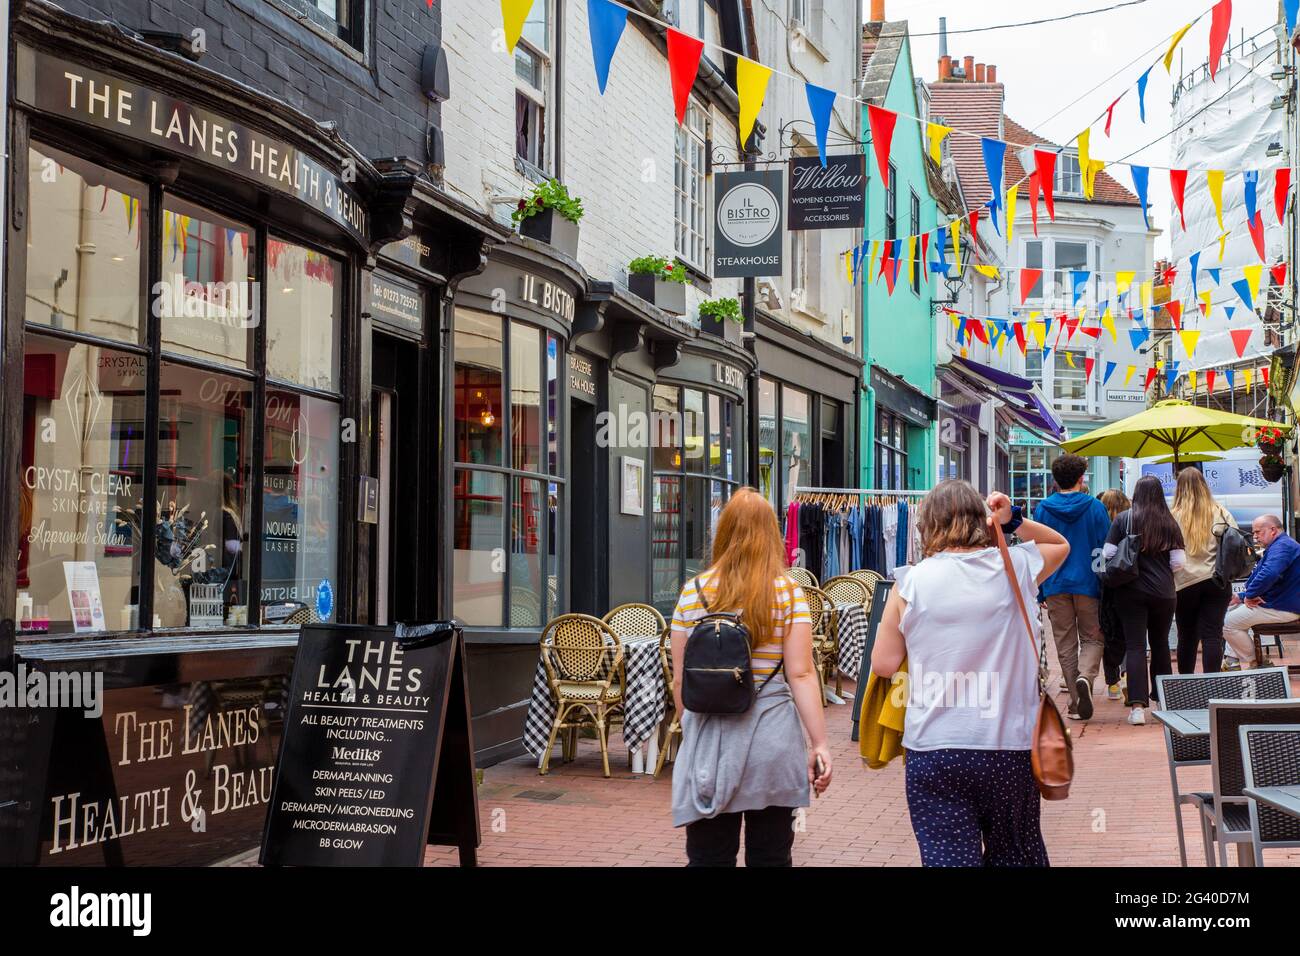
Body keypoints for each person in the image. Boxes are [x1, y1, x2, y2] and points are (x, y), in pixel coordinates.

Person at [871, 481, 1069, 867]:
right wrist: (1012, 522)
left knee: (947, 858)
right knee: (1016, 855)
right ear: (982, 520)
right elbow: (1061, 545)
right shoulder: (1018, 566)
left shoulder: (910, 582)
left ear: (928, 524)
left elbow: (883, 664)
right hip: (1008, 747)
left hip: (934, 746)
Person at [669, 487, 831, 867]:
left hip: (711, 744)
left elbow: (680, 680)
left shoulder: (693, 594)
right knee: (772, 857)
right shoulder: (789, 593)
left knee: (709, 857)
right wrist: (820, 743)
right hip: (772, 744)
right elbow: (802, 673)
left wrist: (692, 731)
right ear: (772, 535)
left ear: (722, 533)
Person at [1033, 454, 1112, 721]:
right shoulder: (1095, 508)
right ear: (1081, 479)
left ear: (1055, 480)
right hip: (1089, 583)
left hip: (1055, 582)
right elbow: (1103, 549)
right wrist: (1102, 582)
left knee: (1065, 643)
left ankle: (1077, 702)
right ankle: (1086, 678)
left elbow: (1038, 551)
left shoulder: (1042, 509)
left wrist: (1041, 587)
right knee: (1092, 637)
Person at [1104, 475, 1186, 726]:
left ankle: (1137, 707)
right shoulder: (1169, 522)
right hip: (1163, 593)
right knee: (1160, 644)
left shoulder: (1124, 519)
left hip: (1130, 592)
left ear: (1136, 493)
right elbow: (1179, 563)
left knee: (1136, 646)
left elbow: (1108, 553)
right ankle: (1163, 702)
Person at [1170, 468, 1237, 674]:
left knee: (1187, 636)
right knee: (1212, 635)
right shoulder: (1220, 512)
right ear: (1204, 486)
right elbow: (1235, 543)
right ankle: (1211, 684)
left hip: (1183, 582)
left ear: (1179, 488)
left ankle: (1186, 684)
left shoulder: (1172, 516)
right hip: (1215, 581)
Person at [1222, 514, 1300, 668]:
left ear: (1273, 530)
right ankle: (1232, 660)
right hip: (1280, 602)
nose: (1255, 536)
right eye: (1254, 532)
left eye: (1258, 532)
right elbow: (1275, 579)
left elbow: (1269, 574)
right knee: (1232, 607)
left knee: (1226, 623)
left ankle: (1257, 663)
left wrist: (1249, 595)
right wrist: (1242, 596)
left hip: (1284, 607)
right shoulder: (1281, 544)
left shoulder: (1282, 546)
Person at [1097, 489, 1130, 699]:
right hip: (1129, 584)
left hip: (1106, 586)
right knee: (1130, 632)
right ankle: (1128, 673)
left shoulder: (1102, 526)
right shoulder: (1131, 523)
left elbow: (1097, 559)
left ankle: (1113, 683)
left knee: (1107, 633)